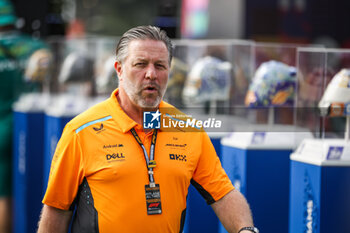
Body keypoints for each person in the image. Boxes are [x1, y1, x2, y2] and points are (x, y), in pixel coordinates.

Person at [37, 25, 258, 233]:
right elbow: (57, 208)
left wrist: (245, 229)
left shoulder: (188, 130)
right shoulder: (80, 131)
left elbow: (223, 194)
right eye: (140, 64)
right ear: (119, 70)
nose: (151, 74)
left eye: (160, 66)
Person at [0, 1, 49, 232]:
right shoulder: (36, 48)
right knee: (33, 188)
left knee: (3, 195)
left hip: (1, 128)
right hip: (31, 128)